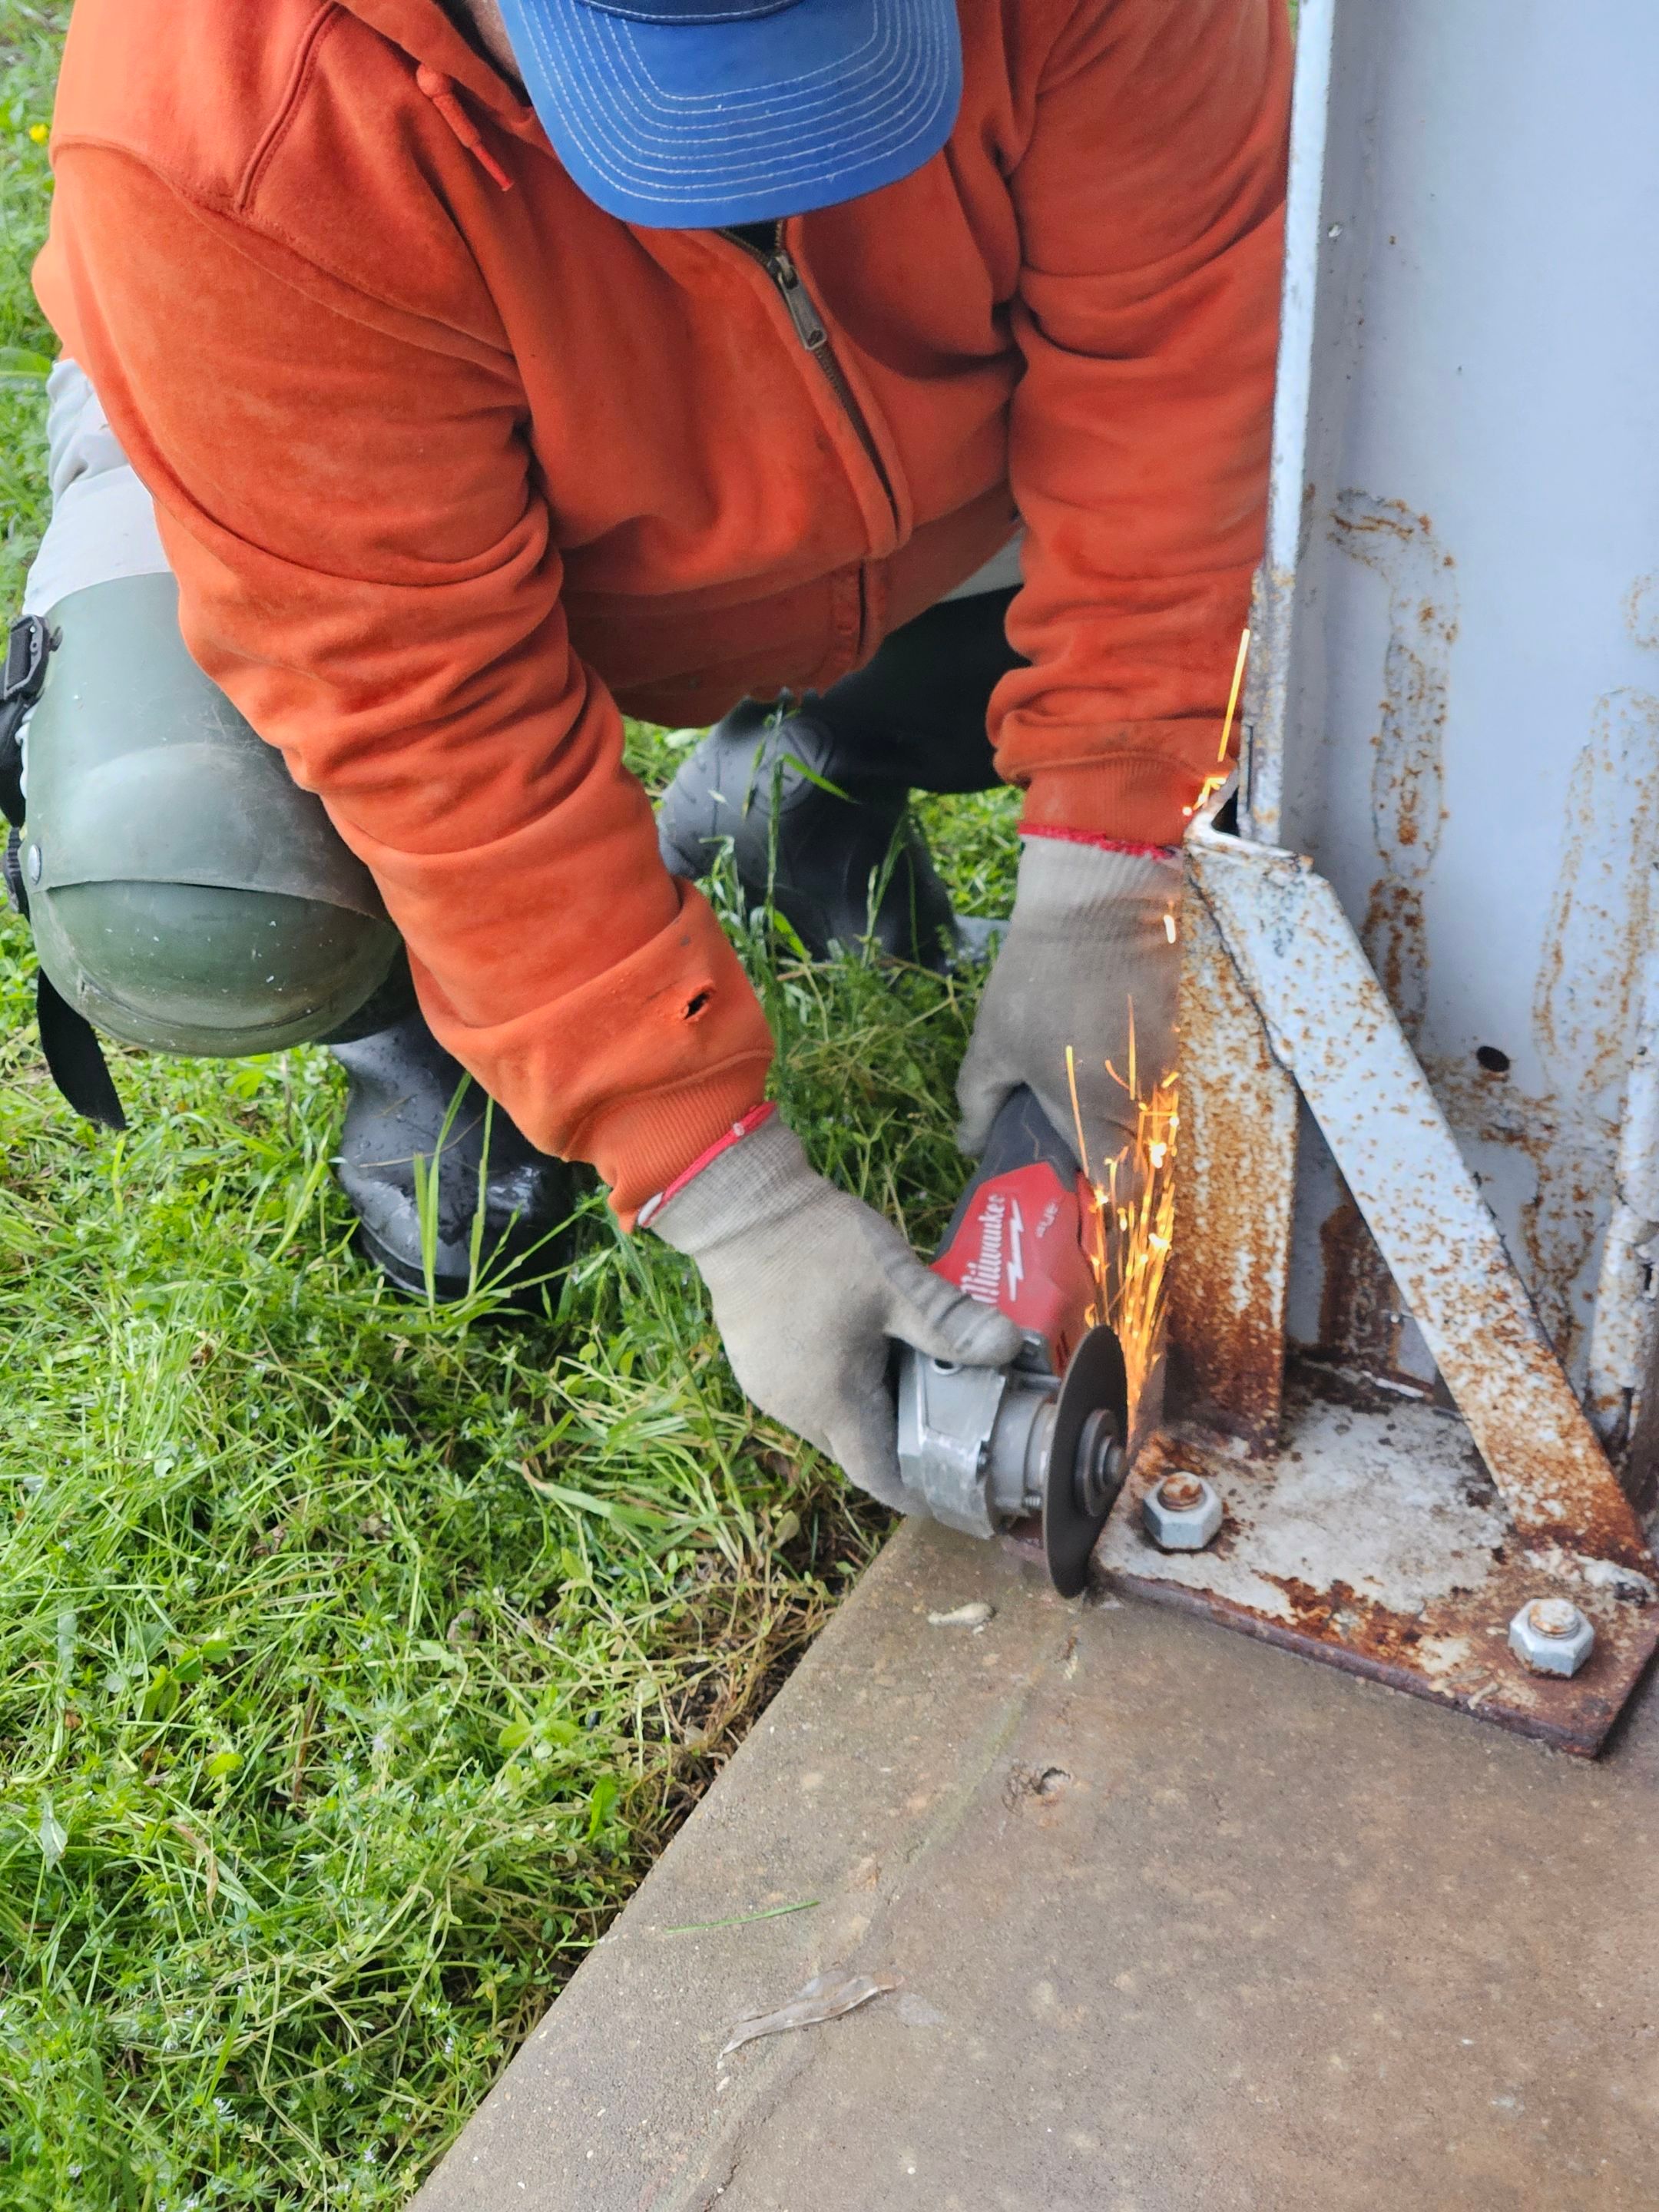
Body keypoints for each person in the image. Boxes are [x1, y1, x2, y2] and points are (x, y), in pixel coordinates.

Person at [5, 0, 1290, 1502]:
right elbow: (424, 706)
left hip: (896, 432)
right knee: (178, 851)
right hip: (340, 442)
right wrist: (722, 1186)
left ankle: (812, 773)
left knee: (1343, 475)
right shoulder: (224, 112)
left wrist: (1112, 863)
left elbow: (1179, 385)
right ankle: (427, 1019)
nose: (764, 158)